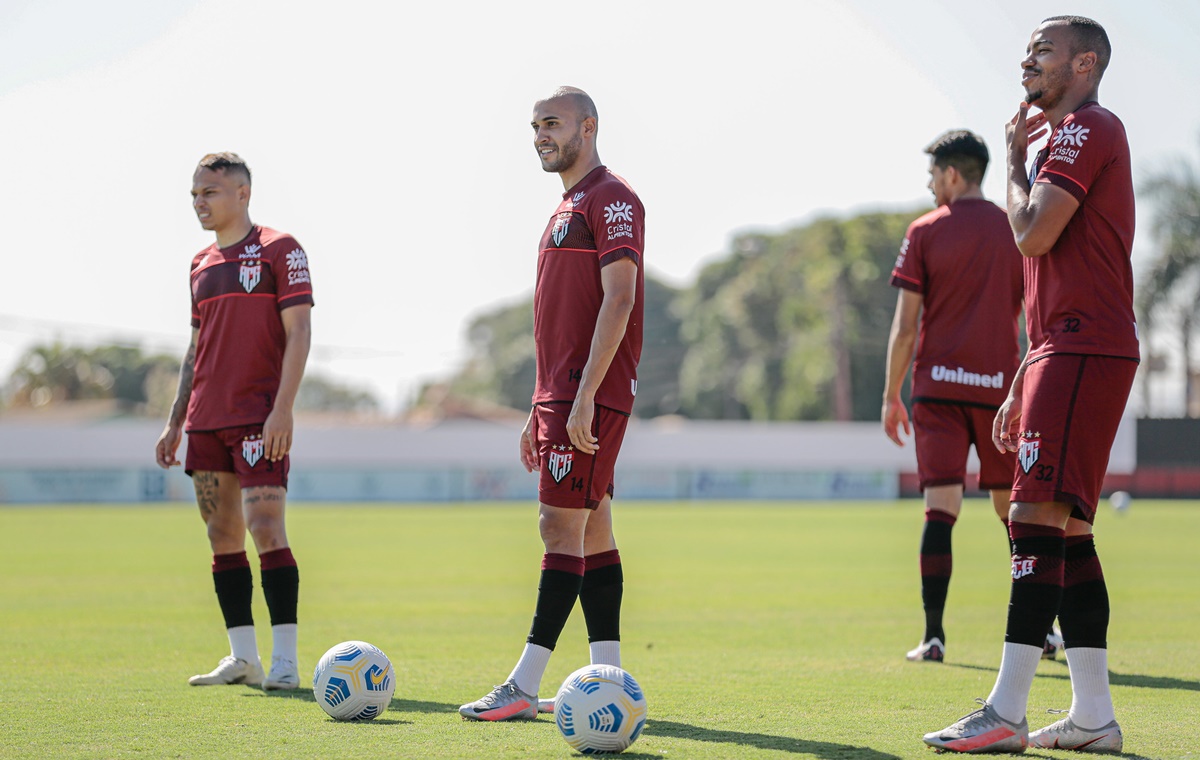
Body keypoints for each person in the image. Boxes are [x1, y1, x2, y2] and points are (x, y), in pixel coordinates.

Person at [925, 16, 1136, 753]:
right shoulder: (1067, 139)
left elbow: (1032, 233)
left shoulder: (1086, 129)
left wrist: (1014, 162)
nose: (1027, 61)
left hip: (1082, 347)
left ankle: (1006, 711)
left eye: (1043, 50)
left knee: (1032, 515)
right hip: (1062, 348)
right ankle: (1093, 717)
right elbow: (1053, 271)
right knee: (1068, 531)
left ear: (1084, 63)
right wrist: (1024, 372)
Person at [459, 87, 645, 721]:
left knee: (557, 526)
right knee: (593, 527)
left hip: (586, 391)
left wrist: (584, 393)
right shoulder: (566, 206)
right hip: (559, 393)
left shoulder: (611, 198)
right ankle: (610, 679)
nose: (541, 134)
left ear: (588, 128)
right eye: (535, 125)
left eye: (553, 123)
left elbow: (620, 298)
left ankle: (522, 686)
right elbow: (560, 318)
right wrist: (537, 407)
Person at [155, 152, 314, 691]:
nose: (199, 203)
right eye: (195, 195)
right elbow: (196, 346)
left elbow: (299, 332)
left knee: (265, 527)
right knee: (221, 534)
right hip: (206, 421)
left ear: (242, 193)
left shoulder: (279, 249)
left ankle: (285, 660)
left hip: (258, 417)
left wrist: (283, 408)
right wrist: (175, 420)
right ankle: (244, 658)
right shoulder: (199, 264)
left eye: (210, 193)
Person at [883, 130, 1026, 664]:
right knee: (1015, 515)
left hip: (937, 391)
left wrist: (890, 395)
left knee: (940, 508)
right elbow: (1031, 313)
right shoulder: (1016, 228)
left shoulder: (924, 231)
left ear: (951, 174)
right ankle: (1042, 631)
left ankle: (934, 637)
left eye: (932, 175)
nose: (929, 185)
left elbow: (905, 327)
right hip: (999, 394)